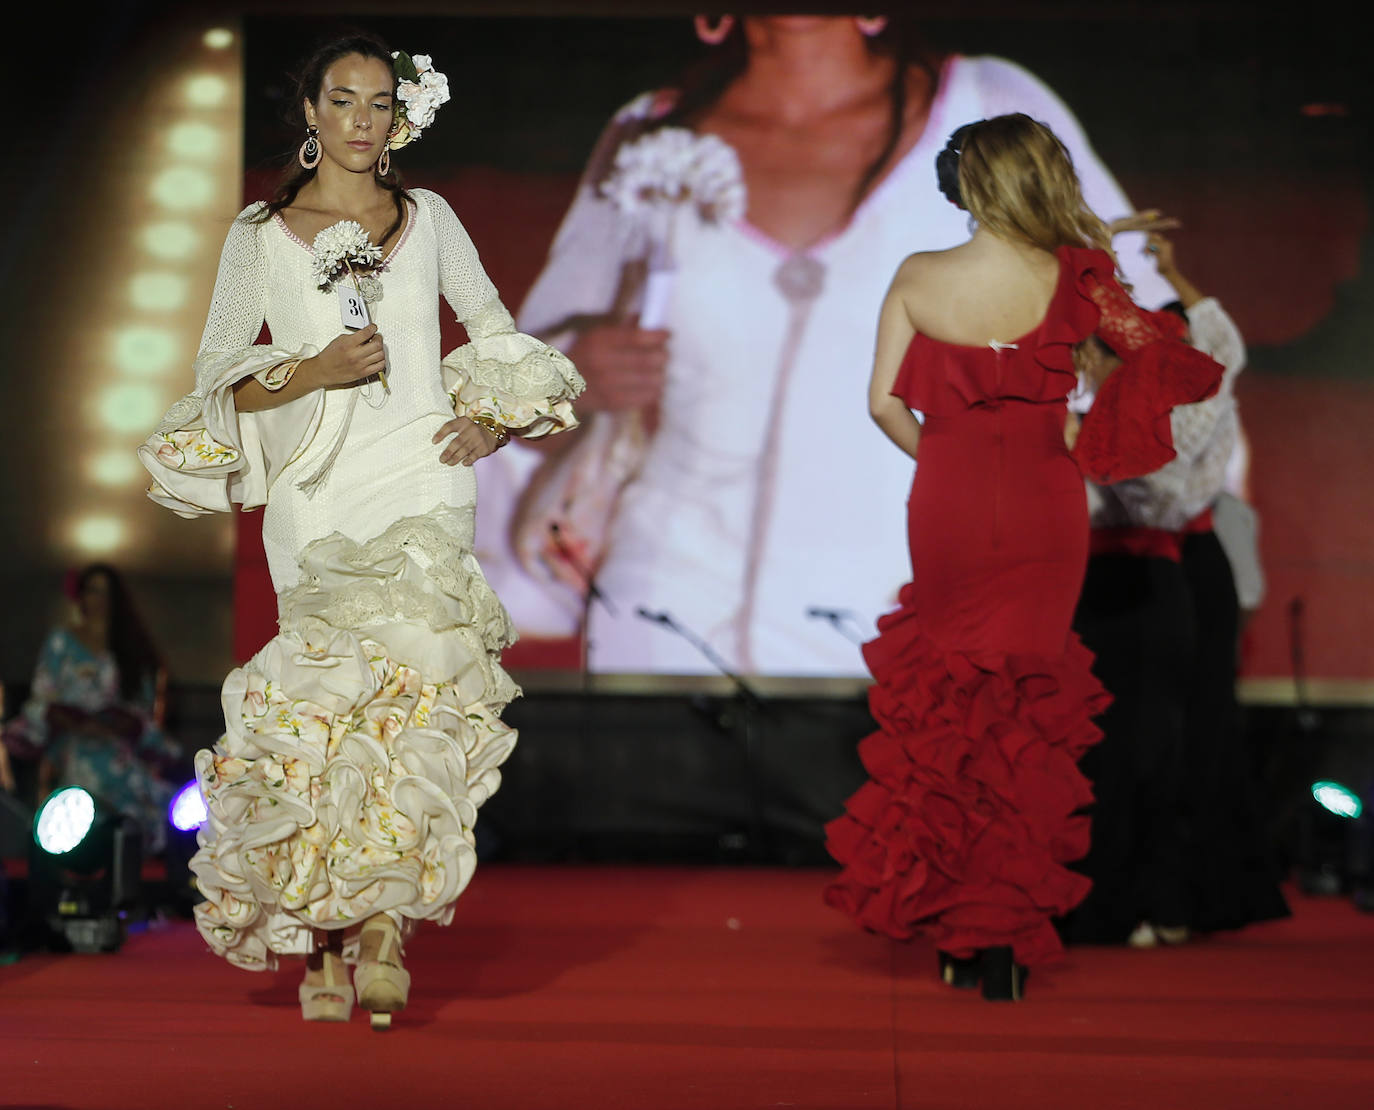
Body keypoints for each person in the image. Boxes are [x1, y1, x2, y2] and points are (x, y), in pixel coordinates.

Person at [484, 14, 1175, 675]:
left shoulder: (985, 105)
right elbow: (519, 398)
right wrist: (580, 372)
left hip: (918, 625)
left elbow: (1144, 337)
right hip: (664, 622)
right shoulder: (651, 136)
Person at [137, 34, 582, 1028]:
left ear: (399, 117)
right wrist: (312, 370)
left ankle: (385, 930)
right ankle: (323, 946)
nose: (361, 120)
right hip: (317, 492)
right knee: (325, 725)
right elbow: (221, 372)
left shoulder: (428, 218)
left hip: (421, 480)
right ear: (310, 113)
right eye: (342, 100)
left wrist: (494, 420)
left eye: (380, 103)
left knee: (420, 709)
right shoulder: (258, 233)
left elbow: (490, 319)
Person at [822, 115, 1223, 1000]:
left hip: (951, 503)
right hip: (1046, 504)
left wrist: (954, 463)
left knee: (951, 714)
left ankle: (957, 931)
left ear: (965, 183)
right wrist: (1096, 431)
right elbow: (1169, 357)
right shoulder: (1076, 279)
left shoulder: (921, 277)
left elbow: (884, 405)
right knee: (1023, 721)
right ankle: (997, 941)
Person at [1061, 232, 1288, 946]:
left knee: (1128, 749)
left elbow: (1123, 477)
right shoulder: (1207, 386)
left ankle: (1130, 896)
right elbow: (1225, 338)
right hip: (1177, 577)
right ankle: (1174, 896)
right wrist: (1173, 270)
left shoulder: (1135, 424)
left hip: (1130, 582)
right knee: (1175, 742)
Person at [1, 565, 178, 851]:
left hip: (121, 759)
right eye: (94, 590)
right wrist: (75, 722)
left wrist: (117, 724)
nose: (101, 599)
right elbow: (43, 697)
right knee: (76, 834)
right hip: (75, 754)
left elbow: (144, 713)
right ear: (81, 596)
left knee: (127, 836)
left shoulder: (132, 648)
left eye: (108, 592)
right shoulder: (62, 642)